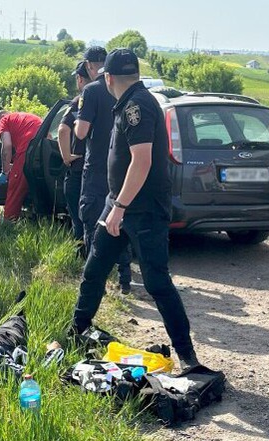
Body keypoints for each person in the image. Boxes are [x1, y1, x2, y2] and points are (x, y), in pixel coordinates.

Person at [69, 49, 199, 370]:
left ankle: (188, 356)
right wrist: (116, 205)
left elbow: (142, 161)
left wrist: (120, 206)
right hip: (119, 205)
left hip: (141, 211)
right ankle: (77, 330)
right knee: (94, 270)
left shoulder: (136, 107)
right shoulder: (128, 102)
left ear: (109, 78)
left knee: (157, 282)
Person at [75, 46, 132, 293]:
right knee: (119, 222)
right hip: (121, 169)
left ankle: (95, 280)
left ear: (89, 65)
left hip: (97, 168)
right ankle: (125, 279)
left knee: (92, 222)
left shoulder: (91, 90)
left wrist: (78, 117)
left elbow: (81, 132)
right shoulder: (125, 91)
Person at [58, 60, 90, 255]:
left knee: (78, 216)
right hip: (104, 170)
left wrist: (66, 156)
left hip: (78, 167)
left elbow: (62, 130)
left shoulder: (80, 101)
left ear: (79, 79)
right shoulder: (113, 98)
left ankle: (82, 254)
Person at [0, 111, 43, 221]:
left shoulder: (4, 120)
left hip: (27, 151)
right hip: (41, 152)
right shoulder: (27, 117)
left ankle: (8, 225)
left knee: (15, 189)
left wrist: (5, 171)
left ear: (0, 117)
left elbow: (7, 145)